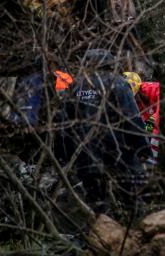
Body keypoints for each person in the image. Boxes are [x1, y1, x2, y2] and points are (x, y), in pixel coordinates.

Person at [56, 49, 151, 217]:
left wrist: (64, 153)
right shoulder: (119, 83)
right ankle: (137, 233)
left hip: (86, 155)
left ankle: (100, 237)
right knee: (133, 200)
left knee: (97, 205)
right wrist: (143, 148)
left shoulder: (76, 86)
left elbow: (64, 124)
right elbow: (131, 117)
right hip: (119, 153)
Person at [124, 72, 161, 165]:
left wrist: (149, 131)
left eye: (135, 96)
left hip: (162, 116)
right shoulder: (126, 97)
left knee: (152, 133)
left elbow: (159, 113)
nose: (134, 99)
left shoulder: (154, 89)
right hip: (149, 118)